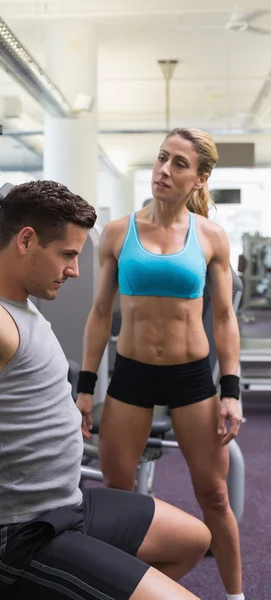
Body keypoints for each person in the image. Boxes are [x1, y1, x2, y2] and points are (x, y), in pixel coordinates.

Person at [0, 160, 210, 600]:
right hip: (18, 536)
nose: (74, 270)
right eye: (68, 255)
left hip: (65, 505)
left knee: (193, 540)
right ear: (26, 240)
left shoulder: (19, 303)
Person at [76, 128, 244, 600]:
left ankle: (236, 596)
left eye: (179, 164)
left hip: (192, 379)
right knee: (118, 494)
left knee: (213, 494)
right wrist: (86, 387)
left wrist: (229, 390)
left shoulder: (210, 236)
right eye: (161, 158)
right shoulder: (117, 233)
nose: (164, 171)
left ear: (200, 178)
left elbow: (226, 318)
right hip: (131, 375)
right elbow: (98, 315)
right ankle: (123, 589)